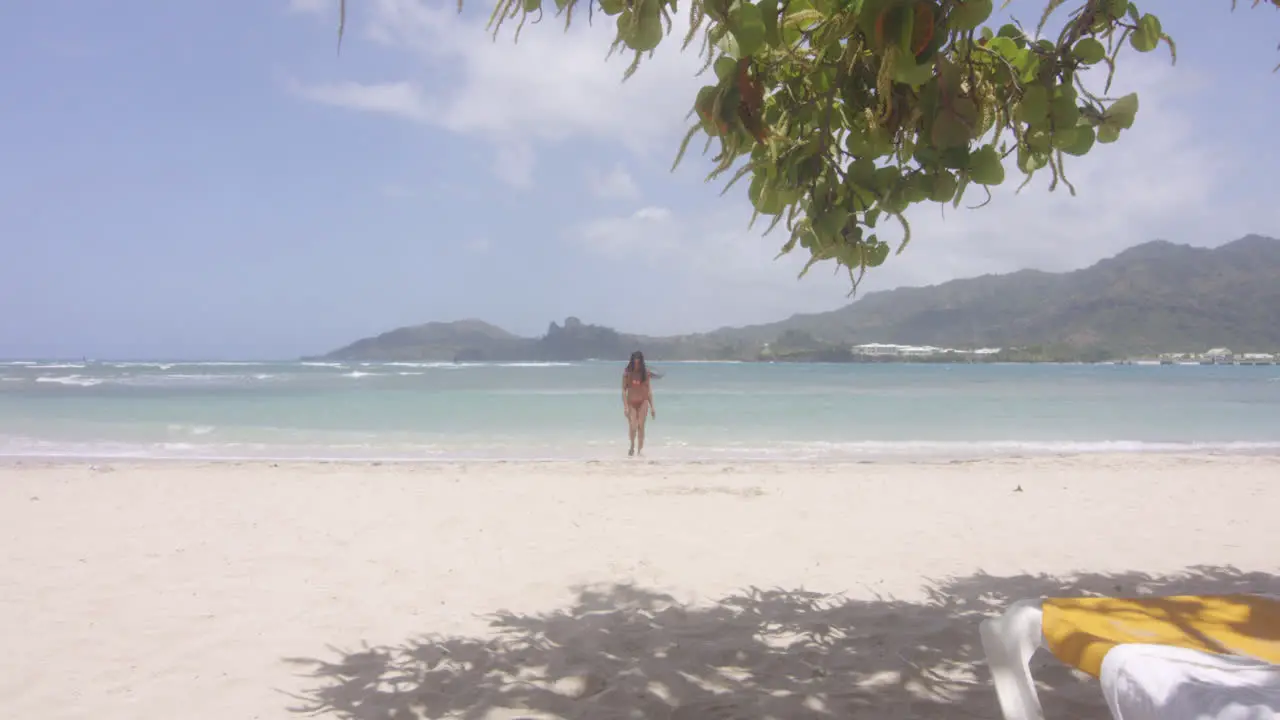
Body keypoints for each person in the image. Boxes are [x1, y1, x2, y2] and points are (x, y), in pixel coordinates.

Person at [622, 350, 656, 457]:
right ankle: (632, 446)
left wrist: (652, 407)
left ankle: (640, 450)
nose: (636, 365)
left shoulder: (645, 374)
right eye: (635, 363)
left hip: (643, 402)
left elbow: (649, 390)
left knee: (641, 426)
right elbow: (624, 390)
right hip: (631, 402)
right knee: (633, 426)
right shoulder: (627, 373)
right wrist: (626, 407)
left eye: (638, 363)